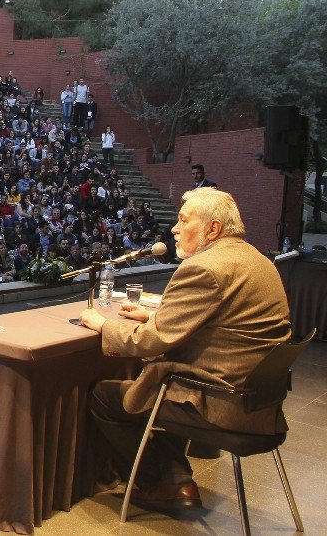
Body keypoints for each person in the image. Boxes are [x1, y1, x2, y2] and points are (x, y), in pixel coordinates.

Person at [79, 189, 292, 513]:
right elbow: (224, 325)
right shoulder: (258, 260)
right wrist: (155, 317)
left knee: (107, 396)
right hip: (261, 404)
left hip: (222, 403)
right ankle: (177, 479)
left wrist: (102, 324)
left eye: (183, 220)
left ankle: (158, 484)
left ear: (213, 229)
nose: (174, 229)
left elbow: (148, 342)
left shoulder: (204, 268)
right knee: (158, 376)